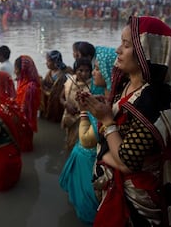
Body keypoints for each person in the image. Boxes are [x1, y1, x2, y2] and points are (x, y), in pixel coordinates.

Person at [79, 16, 171, 226]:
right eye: (120, 43)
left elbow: (126, 162)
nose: (118, 50)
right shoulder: (126, 82)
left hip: (137, 196)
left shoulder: (155, 98)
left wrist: (107, 120)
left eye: (126, 45)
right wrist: (101, 108)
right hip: (116, 184)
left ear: (147, 52)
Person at [59, 46, 116, 224]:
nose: (93, 72)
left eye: (97, 68)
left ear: (107, 73)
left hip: (91, 160)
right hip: (83, 155)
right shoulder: (101, 95)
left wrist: (84, 111)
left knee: (89, 209)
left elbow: (87, 139)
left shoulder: (110, 104)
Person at [60, 57, 92, 151]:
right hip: (70, 116)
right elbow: (61, 97)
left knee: (81, 144)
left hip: (84, 119)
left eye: (87, 71)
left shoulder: (92, 86)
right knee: (70, 141)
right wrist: (66, 104)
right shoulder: (70, 81)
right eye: (80, 70)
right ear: (75, 71)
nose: (84, 74)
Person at [14, 55, 41, 152]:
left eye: (16, 69)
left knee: (24, 147)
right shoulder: (23, 81)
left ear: (23, 70)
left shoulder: (30, 87)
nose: (14, 71)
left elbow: (25, 111)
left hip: (25, 123)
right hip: (21, 122)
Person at [40, 50, 72, 122]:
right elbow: (46, 83)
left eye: (48, 61)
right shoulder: (50, 72)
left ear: (55, 63)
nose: (46, 63)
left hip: (56, 101)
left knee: (55, 117)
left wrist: (44, 88)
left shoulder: (61, 76)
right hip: (48, 97)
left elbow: (57, 92)